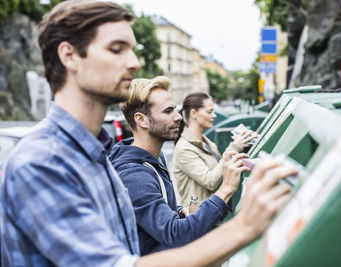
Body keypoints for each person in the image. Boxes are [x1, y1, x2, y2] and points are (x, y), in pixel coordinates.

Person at [0, 1, 296, 266]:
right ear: (69, 56)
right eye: (116, 49)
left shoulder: (96, 153)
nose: (134, 62)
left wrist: (182, 213)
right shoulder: (43, 162)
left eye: (131, 49)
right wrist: (243, 225)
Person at [109, 76, 250, 255]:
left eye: (175, 110)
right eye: (168, 111)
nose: (177, 117)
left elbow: (155, 211)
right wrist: (227, 188)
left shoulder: (153, 157)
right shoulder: (134, 175)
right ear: (141, 120)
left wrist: (179, 210)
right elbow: (176, 235)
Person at [173, 91, 258, 206]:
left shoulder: (207, 142)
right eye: (209, 112)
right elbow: (210, 181)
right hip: (198, 217)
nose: (214, 115)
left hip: (214, 212)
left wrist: (243, 148)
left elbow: (221, 171)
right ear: (194, 113)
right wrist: (234, 147)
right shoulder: (184, 148)